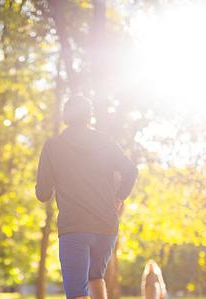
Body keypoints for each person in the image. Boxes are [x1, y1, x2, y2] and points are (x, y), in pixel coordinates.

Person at [36, 97, 139, 299]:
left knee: (77, 292)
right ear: (89, 116)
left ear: (65, 116)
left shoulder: (53, 146)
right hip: (106, 226)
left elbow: (43, 194)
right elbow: (131, 171)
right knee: (95, 278)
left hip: (74, 226)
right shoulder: (106, 142)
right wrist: (119, 197)